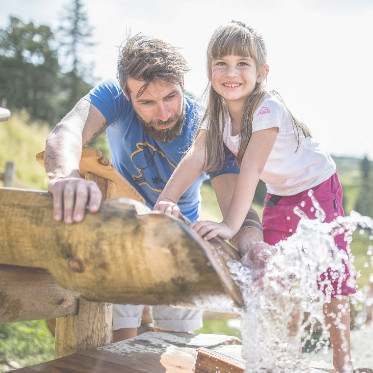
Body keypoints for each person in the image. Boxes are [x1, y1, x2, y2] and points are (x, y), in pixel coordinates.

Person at [154, 21, 356, 373]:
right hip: (281, 195)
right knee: (273, 272)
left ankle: (342, 359)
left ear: (262, 72)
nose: (231, 72)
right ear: (209, 70)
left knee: (329, 272)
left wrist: (229, 225)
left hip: (317, 187)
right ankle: (285, 355)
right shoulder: (215, 114)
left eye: (242, 63)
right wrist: (163, 202)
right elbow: (196, 157)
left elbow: (249, 170)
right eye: (221, 63)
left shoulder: (267, 108)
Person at [43, 34, 263, 342]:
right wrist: (65, 176)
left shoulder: (208, 127)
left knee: (177, 344)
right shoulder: (113, 96)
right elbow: (66, 132)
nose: (163, 113)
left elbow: (235, 207)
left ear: (182, 83)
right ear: (126, 93)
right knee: (119, 341)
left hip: (179, 238)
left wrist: (253, 244)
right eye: (146, 102)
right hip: (122, 229)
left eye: (170, 97)